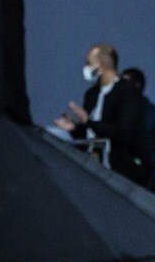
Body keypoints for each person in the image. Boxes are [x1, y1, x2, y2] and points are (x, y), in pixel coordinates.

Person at [53, 43, 148, 186]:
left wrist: (88, 122)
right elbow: (90, 130)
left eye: (89, 63)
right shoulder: (91, 94)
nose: (86, 68)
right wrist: (74, 128)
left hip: (119, 171)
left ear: (101, 65)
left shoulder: (127, 93)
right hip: (90, 166)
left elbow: (123, 133)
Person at [121, 66, 155, 194]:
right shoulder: (120, 111)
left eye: (125, 83)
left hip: (151, 175)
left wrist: (147, 162)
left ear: (137, 85)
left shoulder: (153, 114)